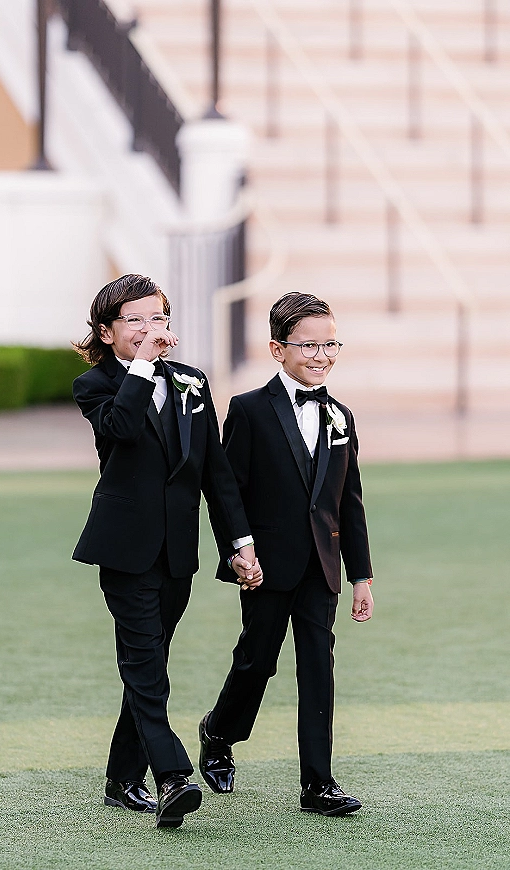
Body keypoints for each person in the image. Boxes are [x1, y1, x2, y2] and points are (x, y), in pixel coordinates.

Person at [72, 274, 262, 829]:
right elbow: (123, 430)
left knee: (148, 664)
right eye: (136, 320)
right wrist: (141, 368)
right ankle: (173, 776)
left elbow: (215, 474)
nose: (152, 329)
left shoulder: (192, 383)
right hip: (125, 550)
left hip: (179, 553)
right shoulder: (98, 385)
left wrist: (239, 544)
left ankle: (119, 777)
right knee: (147, 667)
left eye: (159, 318)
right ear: (108, 333)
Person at [199, 292, 374, 816]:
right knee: (257, 662)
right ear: (278, 349)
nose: (321, 356)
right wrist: (238, 551)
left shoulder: (341, 415)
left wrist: (361, 574)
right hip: (266, 566)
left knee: (319, 668)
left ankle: (318, 784)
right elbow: (229, 491)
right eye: (309, 346)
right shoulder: (249, 410)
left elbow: (350, 500)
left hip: (323, 566)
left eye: (330, 344)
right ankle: (218, 732)